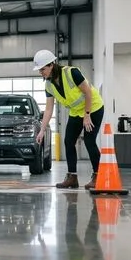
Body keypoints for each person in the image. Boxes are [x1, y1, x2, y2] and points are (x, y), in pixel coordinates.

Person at [33, 50, 105, 189]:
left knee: (89, 141)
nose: (41, 72)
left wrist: (87, 114)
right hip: (76, 112)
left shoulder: (72, 73)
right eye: (39, 70)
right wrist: (42, 130)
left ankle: (98, 176)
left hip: (94, 108)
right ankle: (72, 177)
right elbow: (48, 109)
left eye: (42, 69)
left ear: (51, 65)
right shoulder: (49, 85)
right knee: (68, 141)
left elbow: (88, 92)